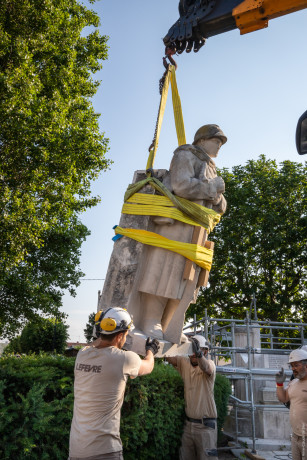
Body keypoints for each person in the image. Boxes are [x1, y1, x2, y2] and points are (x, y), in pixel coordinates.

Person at [137, 124, 227, 343]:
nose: (219, 146)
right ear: (203, 140)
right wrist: (213, 188)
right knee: (165, 271)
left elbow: (221, 205)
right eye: (217, 141)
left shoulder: (210, 166)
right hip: (177, 225)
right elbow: (181, 185)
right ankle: (151, 321)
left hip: (198, 230)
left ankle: (169, 325)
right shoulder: (186, 154)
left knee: (186, 278)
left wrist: (216, 194)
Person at [68, 307, 160, 460]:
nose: (126, 339)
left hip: (76, 450)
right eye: (126, 335)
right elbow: (148, 366)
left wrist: (103, 326)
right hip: (104, 450)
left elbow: (98, 343)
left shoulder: (82, 355)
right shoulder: (124, 359)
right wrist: (150, 350)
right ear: (119, 336)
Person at [166, 335, 218, 460]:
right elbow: (168, 357)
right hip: (189, 425)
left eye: (197, 351)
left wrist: (198, 354)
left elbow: (207, 368)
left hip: (206, 427)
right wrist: (165, 338)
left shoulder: (209, 364)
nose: (193, 354)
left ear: (205, 351)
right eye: (191, 351)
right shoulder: (185, 364)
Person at [275, 347, 307, 460]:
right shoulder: (293, 382)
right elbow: (283, 399)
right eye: (291, 365)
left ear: (306, 365)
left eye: (296, 365)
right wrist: (279, 384)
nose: (293, 368)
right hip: (295, 436)